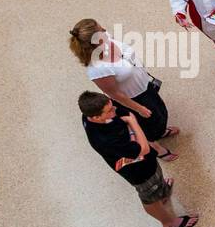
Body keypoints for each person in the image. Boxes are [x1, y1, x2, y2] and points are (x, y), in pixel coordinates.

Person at [78, 91, 198, 227]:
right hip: (139, 172)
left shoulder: (92, 112)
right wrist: (132, 121)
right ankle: (169, 224)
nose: (114, 110)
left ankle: (162, 194)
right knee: (149, 198)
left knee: (157, 183)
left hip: (146, 163)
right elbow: (144, 149)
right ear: (96, 117)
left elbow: (118, 109)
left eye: (111, 106)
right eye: (109, 111)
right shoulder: (105, 141)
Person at [69, 18, 178, 149]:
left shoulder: (106, 38)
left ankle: (160, 131)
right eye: (100, 30)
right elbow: (114, 94)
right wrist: (139, 108)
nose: (104, 30)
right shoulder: (97, 69)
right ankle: (156, 146)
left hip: (145, 85)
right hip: (135, 97)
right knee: (148, 124)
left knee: (160, 112)